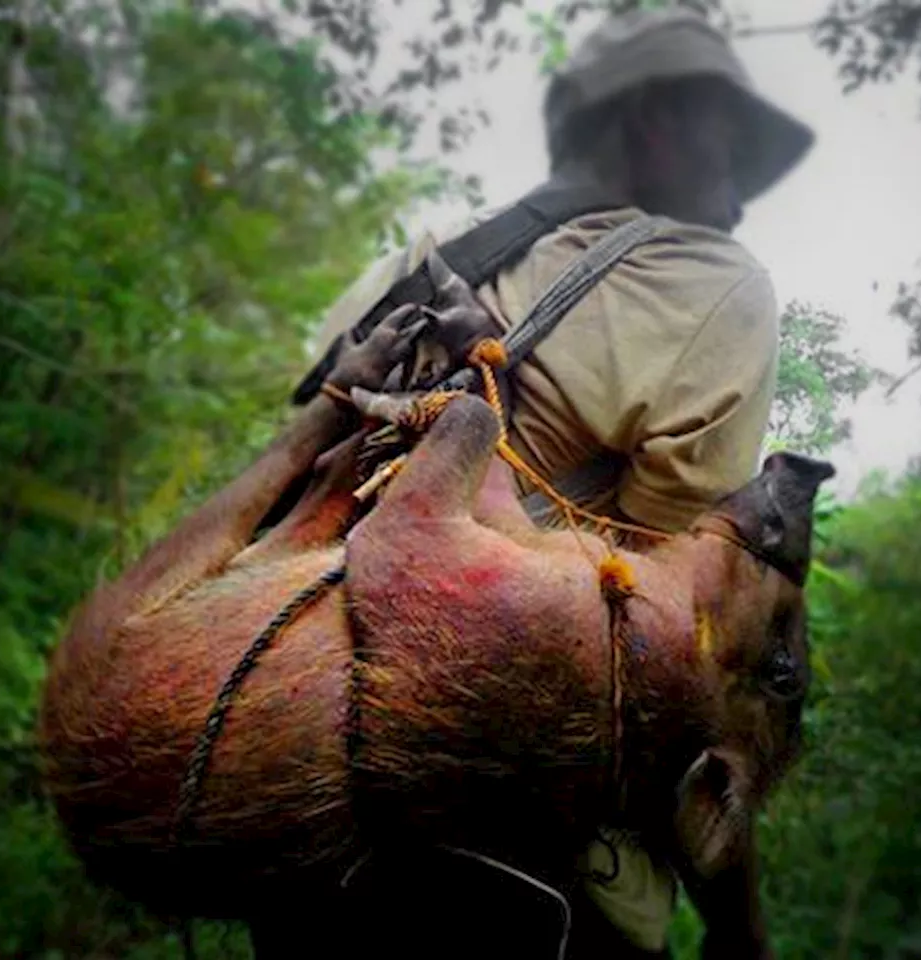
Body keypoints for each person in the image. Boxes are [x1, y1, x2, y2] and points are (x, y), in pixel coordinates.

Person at [286, 6, 815, 958]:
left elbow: (303, 436)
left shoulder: (427, 252)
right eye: (727, 152)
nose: (735, 199)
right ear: (655, 117)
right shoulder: (715, 281)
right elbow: (674, 601)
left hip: (307, 772)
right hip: (534, 843)